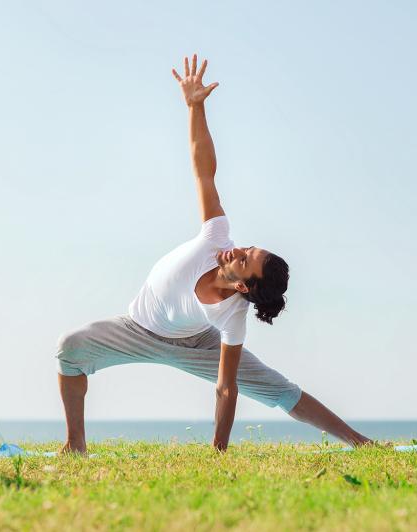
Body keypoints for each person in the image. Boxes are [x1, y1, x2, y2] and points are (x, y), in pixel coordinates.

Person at [55, 54, 373, 453]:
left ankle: (362, 443)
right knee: (70, 348)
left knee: (279, 389)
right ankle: (75, 445)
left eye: (244, 258)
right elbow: (203, 169)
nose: (237, 249)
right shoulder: (217, 237)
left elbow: (226, 387)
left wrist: (217, 453)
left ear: (242, 284)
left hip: (195, 343)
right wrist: (196, 106)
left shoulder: (232, 316)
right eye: (248, 248)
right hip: (137, 328)